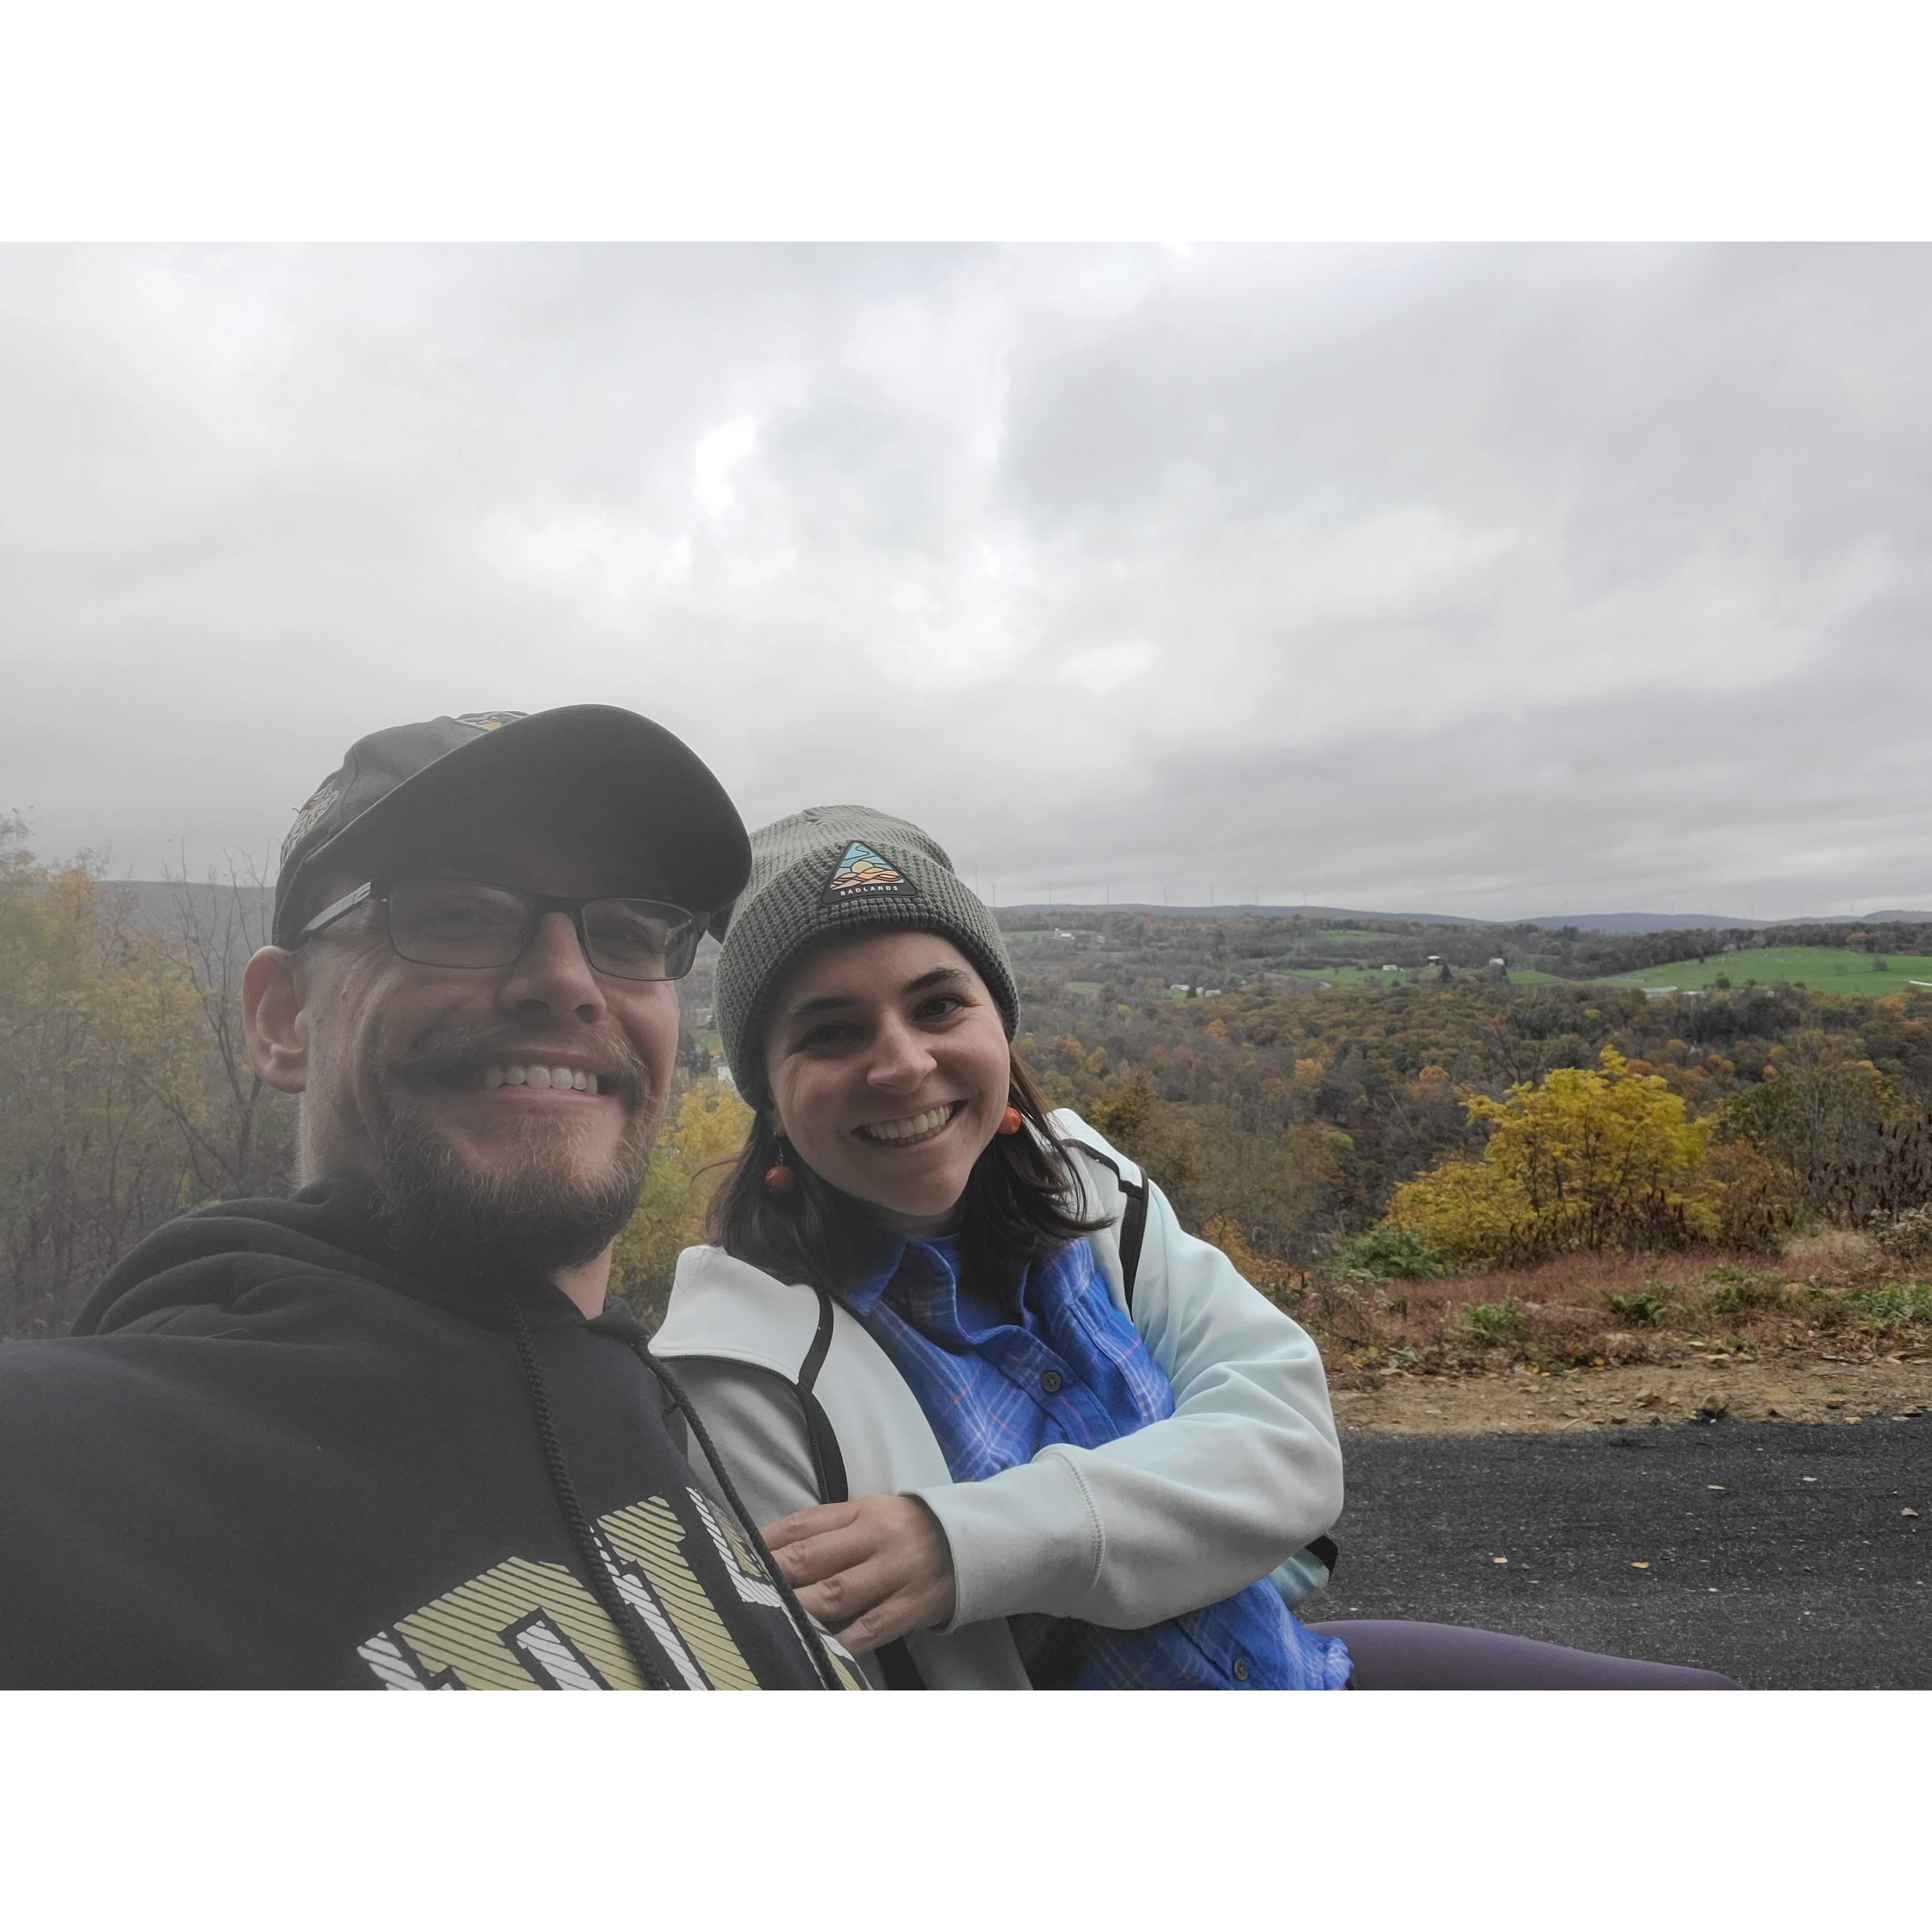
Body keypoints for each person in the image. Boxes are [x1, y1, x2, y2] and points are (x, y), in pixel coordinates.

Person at [655, 807, 1739, 1689]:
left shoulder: (1090, 1191)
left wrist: (963, 1545)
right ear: (768, 1096)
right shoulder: (739, 1370)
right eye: (831, 1032)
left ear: (999, 1026)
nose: (903, 1063)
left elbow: (1288, 1444)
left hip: (1292, 1676)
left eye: (941, 1006)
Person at [0, 707, 856, 1690]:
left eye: (626, 932)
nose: (567, 981)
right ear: (284, 1020)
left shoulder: (671, 1430)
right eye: (457, 914)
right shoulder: (65, 1476)